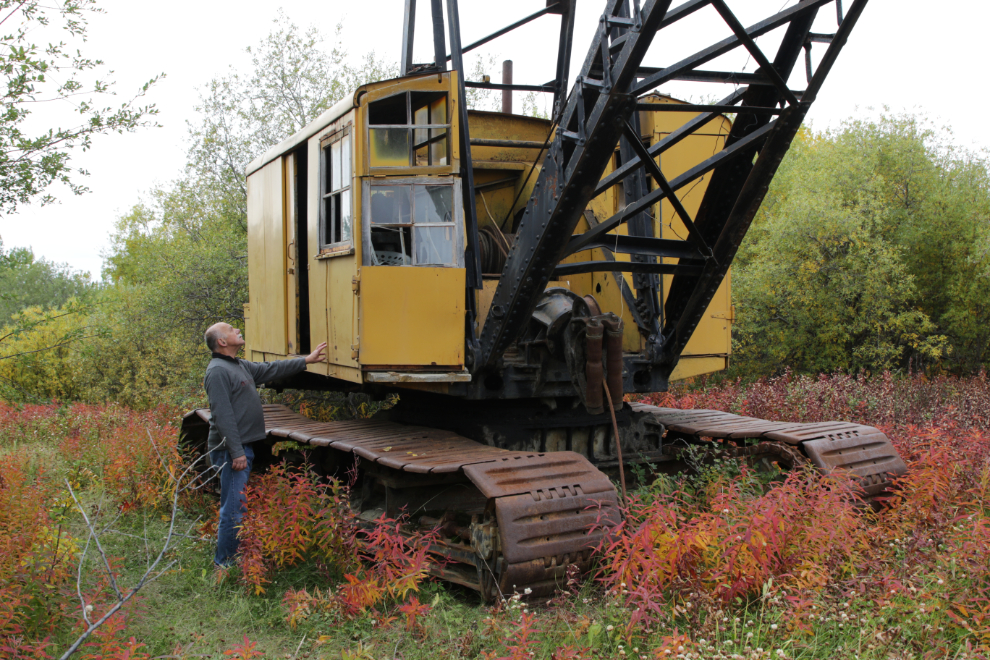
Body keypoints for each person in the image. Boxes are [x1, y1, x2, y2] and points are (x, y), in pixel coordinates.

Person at [202, 322, 327, 568]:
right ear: (222, 342)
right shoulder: (217, 371)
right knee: (234, 509)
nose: (237, 329)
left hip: (239, 448)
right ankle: (226, 564)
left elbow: (271, 369)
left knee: (236, 506)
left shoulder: (238, 365)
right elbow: (222, 415)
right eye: (230, 329)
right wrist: (236, 452)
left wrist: (306, 360)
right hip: (230, 451)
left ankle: (231, 559)